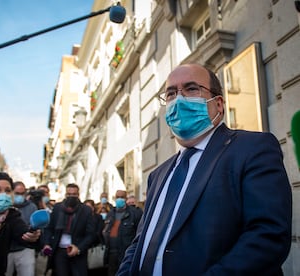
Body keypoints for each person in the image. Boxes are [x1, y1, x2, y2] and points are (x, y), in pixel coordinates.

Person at [117, 63, 292, 275]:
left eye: (191, 89)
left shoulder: (253, 149)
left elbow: (267, 236)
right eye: (171, 93)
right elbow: (140, 242)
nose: (179, 100)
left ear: (218, 104)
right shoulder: (158, 175)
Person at [42, 183, 96, 276]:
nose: (71, 197)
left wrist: (79, 248)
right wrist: (46, 244)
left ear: (78, 195)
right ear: (65, 195)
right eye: (69, 194)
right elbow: (49, 228)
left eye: (74, 194)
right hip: (59, 251)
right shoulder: (57, 208)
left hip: (77, 251)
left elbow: (91, 234)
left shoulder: (86, 210)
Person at [103, 190, 142, 276]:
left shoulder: (134, 213)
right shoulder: (111, 213)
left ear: (126, 198)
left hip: (125, 253)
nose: (119, 199)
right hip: (111, 253)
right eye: (117, 197)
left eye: (122, 197)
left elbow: (139, 233)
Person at [6, 181, 39, 276]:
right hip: (7, 249)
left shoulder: (32, 207)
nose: (20, 196)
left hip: (25, 248)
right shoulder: (5, 205)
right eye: (17, 193)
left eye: (22, 193)